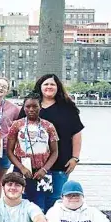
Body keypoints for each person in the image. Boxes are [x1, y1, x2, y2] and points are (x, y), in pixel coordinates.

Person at [28, 73, 85, 204]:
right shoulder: (31, 106)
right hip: (34, 165)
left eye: (52, 84)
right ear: (40, 86)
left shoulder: (68, 108)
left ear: (58, 87)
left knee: (55, 199)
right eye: (46, 84)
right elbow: (19, 130)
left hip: (60, 163)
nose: (49, 87)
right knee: (34, 200)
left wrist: (75, 158)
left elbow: (76, 133)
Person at [7, 92, 59, 211]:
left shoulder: (49, 126)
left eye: (35, 106)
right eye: (28, 106)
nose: (31, 109)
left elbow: (55, 152)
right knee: (19, 204)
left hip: (42, 172)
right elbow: (9, 151)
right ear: (23, 107)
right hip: (21, 171)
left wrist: (44, 169)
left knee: (40, 207)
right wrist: (22, 168)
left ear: (40, 106)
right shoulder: (17, 125)